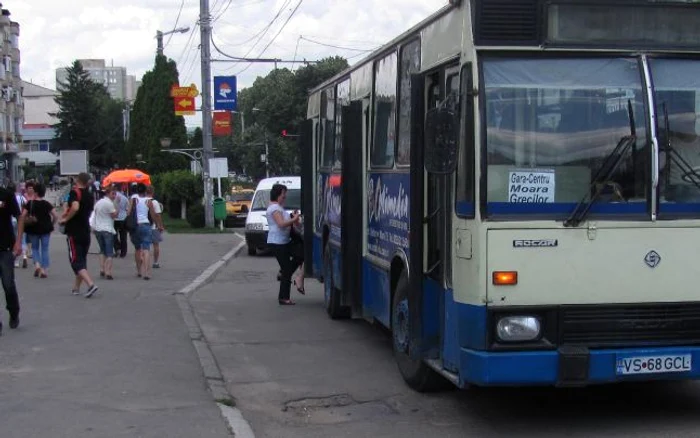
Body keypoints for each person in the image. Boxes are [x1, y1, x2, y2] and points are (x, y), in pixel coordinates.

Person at [59, 172, 99, 298]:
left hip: (74, 231)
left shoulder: (75, 192)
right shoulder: (89, 195)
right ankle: (76, 288)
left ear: (77, 180)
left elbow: (75, 207)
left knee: (75, 261)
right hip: (85, 231)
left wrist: (66, 218)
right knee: (81, 259)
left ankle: (91, 284)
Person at [266, 183, 303, 305]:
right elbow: (281, 224)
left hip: (284, 241)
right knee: (287, 269)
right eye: (283, 195)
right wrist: (295, 218)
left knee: (301, 253)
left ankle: (283, 272)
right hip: (277, 242)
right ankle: (283, 297)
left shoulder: (279, 208)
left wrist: (293, 217)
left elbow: (288, 222)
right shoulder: (274, 209)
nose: (284, 197)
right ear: (277, 195)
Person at [0, 182, 23, 333]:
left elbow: (19, 216)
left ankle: (13, 312)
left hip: (5, 247)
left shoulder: (6, 195)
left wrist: (18, 241)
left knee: (8, 285)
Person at [126, 183, 162, 280]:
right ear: (145, 191)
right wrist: (157, 225)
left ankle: (139, 271)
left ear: (137, 190)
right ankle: (147, 273)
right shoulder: (148, 201)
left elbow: (128, 212)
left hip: (135, 226)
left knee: (137, 249)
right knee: (146, 249)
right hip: (146, 225)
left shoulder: (133, 199)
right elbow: (153, 215)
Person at [22, 183, 58, 278]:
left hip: (33, 229)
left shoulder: (30, 203)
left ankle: (37, 265)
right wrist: (52, 224)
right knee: (45, 249)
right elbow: (55, 216)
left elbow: (22, 215)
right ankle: (44, 270)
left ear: (36, 192)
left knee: (34, 248)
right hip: (46, 229)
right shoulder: (47, 204)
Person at [93, 187, 118, 280]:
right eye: (113, 193)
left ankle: (102, 269)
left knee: (102, 250)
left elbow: (95, 214)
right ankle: (108, 272)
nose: (114, 195)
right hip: (107, 229)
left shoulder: (98, 203)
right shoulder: (109, 204)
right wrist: (117, 207)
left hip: (98, 229)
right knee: (109, 252)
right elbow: (114, 215)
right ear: (107, 194)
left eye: (115, 194)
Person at [146, 186, 165, 268]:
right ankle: (155, 262)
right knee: (156, 245)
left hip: (144, 225)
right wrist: (160, 225)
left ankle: (144, 261)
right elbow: (158, 215)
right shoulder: (155, 202)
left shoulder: (142, 201)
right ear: (153, 192)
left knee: (144, 246)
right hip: (153, 226)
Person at [112, 184, 129, 258]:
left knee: (114, 235)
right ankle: (123, 252)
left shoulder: (113, 197)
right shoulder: (125, 198)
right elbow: (127, 208)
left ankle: (117, 247)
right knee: (123, 236)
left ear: (115, 188)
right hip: (123, 218)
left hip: (115, 219)